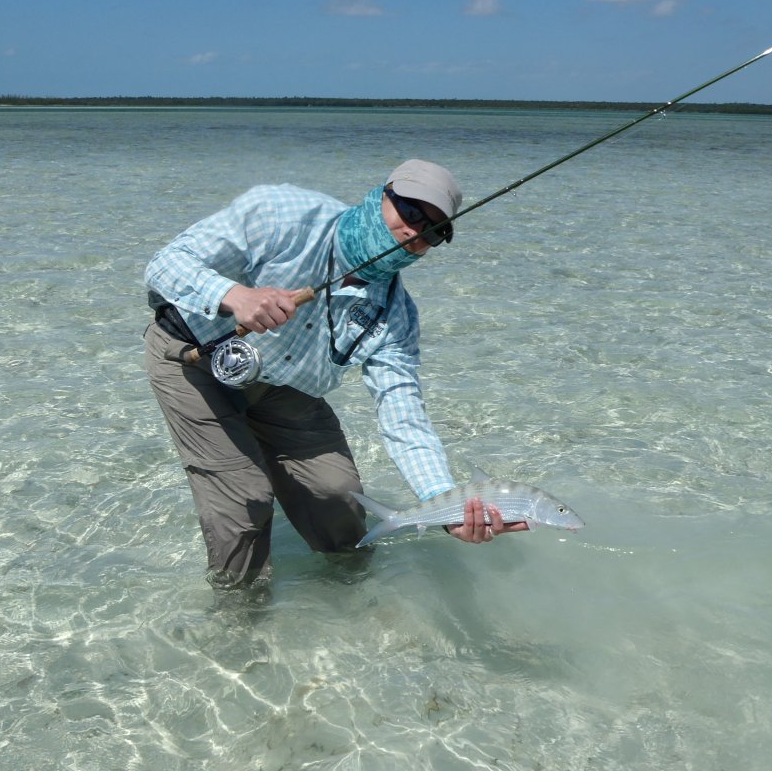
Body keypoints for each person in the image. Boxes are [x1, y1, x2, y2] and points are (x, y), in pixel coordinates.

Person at [144, 159, 526, 586]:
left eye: (433, 231)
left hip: (285, 388)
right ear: (381, 195)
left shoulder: (396, 317)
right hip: (193, 357)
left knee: (339, 497)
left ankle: (351, 598)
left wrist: (446, 506)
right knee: (243, 501)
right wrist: (234, 295)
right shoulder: (281, 213)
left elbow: (404, 418)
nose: (414, 233)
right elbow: (165, 263)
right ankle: (239, 612)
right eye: (410, 211)